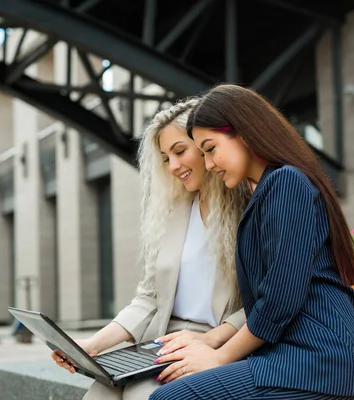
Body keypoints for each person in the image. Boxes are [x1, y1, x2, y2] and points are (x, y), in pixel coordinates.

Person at [150, 85, 354, 400]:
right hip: (297, 356)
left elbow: (280, 297)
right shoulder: (265, 190)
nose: (207, 164)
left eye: (210, 148)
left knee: (171, 398)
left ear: (244, 134)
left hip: (327, 361)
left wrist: (219, 357)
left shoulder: (286, 183)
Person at [51, 97, 249, 400]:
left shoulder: (248, 207)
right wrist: (91, 346)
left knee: (140, 396)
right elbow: (148, 298)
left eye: (179, 152)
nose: (173, 166)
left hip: (220, 340)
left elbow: (268, 299)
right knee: (98, 395)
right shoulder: (176, 213)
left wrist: (211, 340)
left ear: (204, 145)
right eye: (165, 158)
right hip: (161, 339)